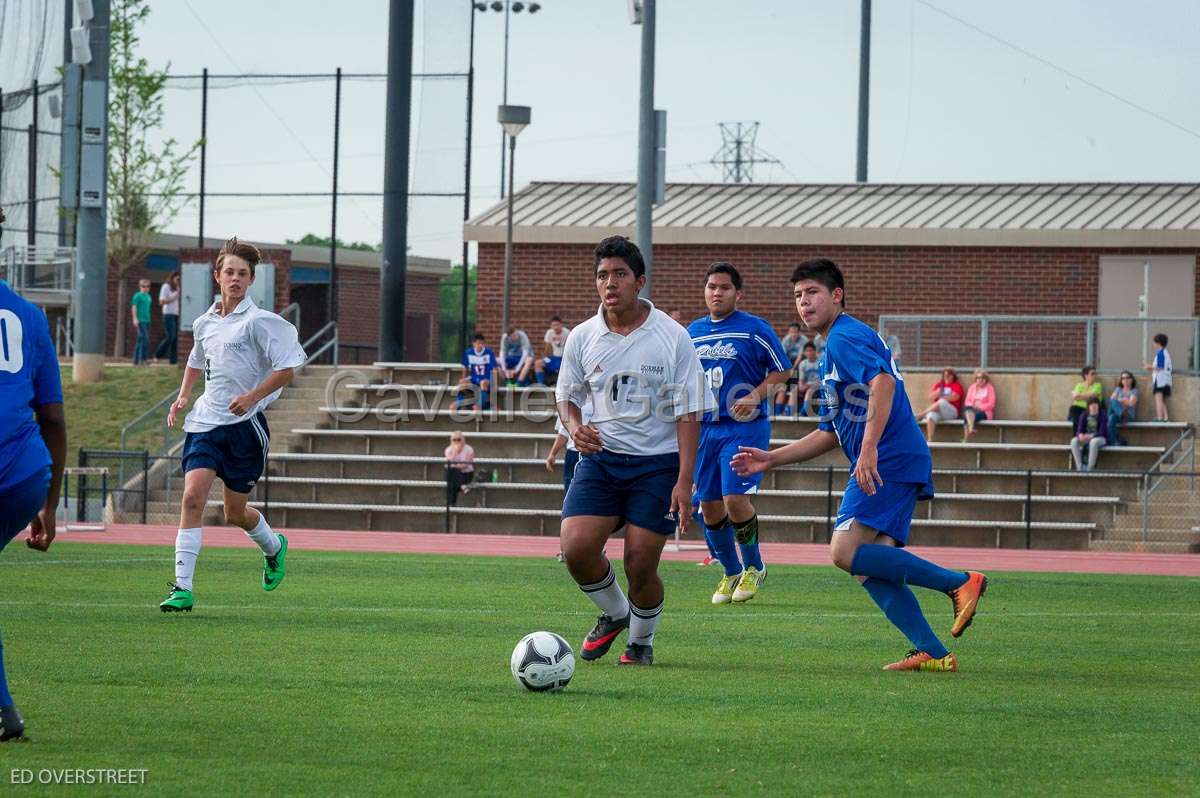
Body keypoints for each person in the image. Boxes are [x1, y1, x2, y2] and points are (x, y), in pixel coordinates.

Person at [732, 258, 985, 673]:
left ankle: (959, 582)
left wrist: (868, 449)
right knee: (867, 566)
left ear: (837, 295)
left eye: (812, 292)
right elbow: (830, 432)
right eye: (797, 296)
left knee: (844, 552)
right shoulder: (834, 348)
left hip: (889, 459)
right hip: (896, 458)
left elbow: (882, 382)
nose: (803, 303)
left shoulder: (845, 337)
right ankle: (934, 652)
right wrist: (772, 458)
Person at [556, 235, 713, 666]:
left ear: (639, 281)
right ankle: (616, 613)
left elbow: (689, 412)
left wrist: (685, 480)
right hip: (601, 461)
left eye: (620, 275)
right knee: (576, 548)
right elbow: (566, 397)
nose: (610, 283)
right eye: (603, 275)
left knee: (640, 562)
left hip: (657, 466)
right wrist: (575, 427)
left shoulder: (672, 336)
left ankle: (641, 643)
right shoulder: (582, 337)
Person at [160, 238, 306, 613]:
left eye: (242, 273)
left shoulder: (259, 322)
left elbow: (287, 369)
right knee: (192, 498)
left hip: (245, 429)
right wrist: (183, 395)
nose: (235, 278)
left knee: (234, 514)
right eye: (229, 272)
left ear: (251, 279)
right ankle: (182, 588)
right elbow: (196, 360)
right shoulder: (205, 322)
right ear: (217, 277)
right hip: (206, 422)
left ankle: (274, 548)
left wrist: (253, 396)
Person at [0, 204, 68, 741]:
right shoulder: (27, 314)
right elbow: (53, 418)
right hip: (26, 473)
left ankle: (4, 710)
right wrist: (48, 505)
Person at [688, 262, 790, 604]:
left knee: (734, 499)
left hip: (744, 427)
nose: (717, 292)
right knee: (710, 506)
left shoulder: (754, 328)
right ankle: (730, 572)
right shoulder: (692, 333)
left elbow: (783, 371)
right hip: (705, 429)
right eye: (712, 286)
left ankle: (754, 566)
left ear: (738, 293)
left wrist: (754, 395)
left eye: (724, 287)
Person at [916, 367, 964, 442]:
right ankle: (930, 439)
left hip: (952, 412)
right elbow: (931, 397)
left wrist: (941, 396)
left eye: (949, 375)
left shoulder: (956, 385)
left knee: (942, 401)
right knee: (931, 415)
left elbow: (955, 397)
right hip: (939, 411)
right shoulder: (939, 385)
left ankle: (921, 415)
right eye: (945, 375)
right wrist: (937, 393)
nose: (947, 377)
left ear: (953, 376)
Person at [457, 333, 498, 411]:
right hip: (474, 378)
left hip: (486, 378)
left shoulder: (489, 352)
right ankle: (458, 404)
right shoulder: (468, 353)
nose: (480, 345)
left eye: (482, 343)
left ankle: (480, 405)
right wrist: (464, 378)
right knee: (462, 382)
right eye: (478, 343)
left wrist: (494, 382)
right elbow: (465, 367)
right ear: (473, 344)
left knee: (483, 383)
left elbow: (494, 368)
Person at [775, 322, 808, 415]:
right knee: (782, 388)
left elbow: (800, 357)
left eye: (796, 332)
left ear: (799, 332)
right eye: (791, 332)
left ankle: (788, 411)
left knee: (793, 388)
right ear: (789, 332)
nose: (794, 334)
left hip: (799, 366)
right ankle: (778, 413)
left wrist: (793, 368)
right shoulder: (786, 340)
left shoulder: (804, 340)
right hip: (788, 364)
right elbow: (783, 356)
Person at [1070, 396, 1108, 472]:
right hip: (1087, 437)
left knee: (1093, 442)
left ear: (1098, 406)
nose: (1094, 407)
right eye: (1091, 405)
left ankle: (1090, 468)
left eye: (1095, 405)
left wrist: (1091, 436)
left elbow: (1102, 432)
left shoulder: (1103, 414)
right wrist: (1080, 435)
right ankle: (1080, 467)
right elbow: (1079, 430)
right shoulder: (1084, 415)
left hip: (1100, 438)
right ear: (1088, 406)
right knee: (1074, 441)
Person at [154, 271, 181, 364]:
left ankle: (173, 361)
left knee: (175, 338)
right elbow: (161, 302)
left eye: (179, 280)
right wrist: (175, 295)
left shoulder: (178, 288)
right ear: (172, 278)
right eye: (177, 279)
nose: (178, 281)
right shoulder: (166, 287)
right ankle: (158, 354)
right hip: (168, 314)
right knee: (171, 336)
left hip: (176, 315)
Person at [535, 316, 571, 386]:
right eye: (553, 325)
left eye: (557, 325)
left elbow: (570, 348)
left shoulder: (567, 333)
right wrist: (545, 357)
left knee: (561, 366)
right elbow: (547, 348)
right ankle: (541, 385)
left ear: (561, 325)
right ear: (551, 326)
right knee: (538, 363)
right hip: (554, 357)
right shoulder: (549, 333)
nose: (556, 327)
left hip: (564, 358)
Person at [961, 369, 996, 441]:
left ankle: (966, 439)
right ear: (976, 379)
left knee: (967, 417)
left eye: (982, 378)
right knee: (968, 411)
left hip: (985, 412)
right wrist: (973, 406)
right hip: (971, 409)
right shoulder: (972, 387)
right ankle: (971, 429)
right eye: (978, 378)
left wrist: (980, 407)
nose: (980, 380)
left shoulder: (990, 388)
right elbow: (967, 401)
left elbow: (992, 404)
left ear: (986, 379)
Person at [1145, 333, 1172, 421]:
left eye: (1154, 342)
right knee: (1161, 399)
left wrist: (1149, 367)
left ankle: (1160, 418)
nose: (1153, 344)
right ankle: (1165, 417)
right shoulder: (1164, 352)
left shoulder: (1161, 353)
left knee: (1158, 399)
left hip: (1160, 380)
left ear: (1159, 343)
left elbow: (1160, 366)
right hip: (1164, 379)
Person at [1107, 372, 1138, 446]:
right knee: (1111, 417)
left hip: (1128, 416)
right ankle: (1114, 441)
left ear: (1131, 379)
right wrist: (1124, 400)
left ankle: (1121, 414)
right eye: (1123, 378)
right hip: (1119, 416)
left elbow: (1131, 403)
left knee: (1113, 403)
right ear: (1121, 381)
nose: (1125, 380)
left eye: (1127, 377)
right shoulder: (1118, 389)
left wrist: (1119, 399)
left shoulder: (1134, 391)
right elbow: (1112, 400)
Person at [444, 432, 475, 506]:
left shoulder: (469, 450)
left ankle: (451, 503)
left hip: (466, 474)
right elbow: (447, 464)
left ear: (463, 440)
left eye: (459, 439)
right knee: (451, 475)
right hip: (455, 476)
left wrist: (454, 466)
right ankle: (462, 486)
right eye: (454, 440)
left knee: (451, 478)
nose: (456, 442)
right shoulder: (448, 450)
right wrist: (454, 452)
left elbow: (465, 465)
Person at [130, 278, 153, 365]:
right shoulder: (137, 296)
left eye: (147, 286)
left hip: (147, 321)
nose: (145, 288)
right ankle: (143, 360)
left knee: (140, 340)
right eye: (143, 286)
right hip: (140, 321)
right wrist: (135, 318)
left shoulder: (148, 297)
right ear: (140, 287)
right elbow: (134, 307)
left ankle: (136, 361)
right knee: (144, 339)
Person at [797, 342, 823, 416]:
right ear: (804, 353)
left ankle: (802, 413)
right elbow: (801, 384)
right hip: (808, 386)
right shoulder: (802, 364)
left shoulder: (821, 362)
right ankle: (788, 412)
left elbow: (822, 380)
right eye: (807, 351)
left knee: (810, 391)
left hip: (821, 386)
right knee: (794, 390)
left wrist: (809, 385)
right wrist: (803, 386)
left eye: (811, 350)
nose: (809, 353)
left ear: (815, 351)